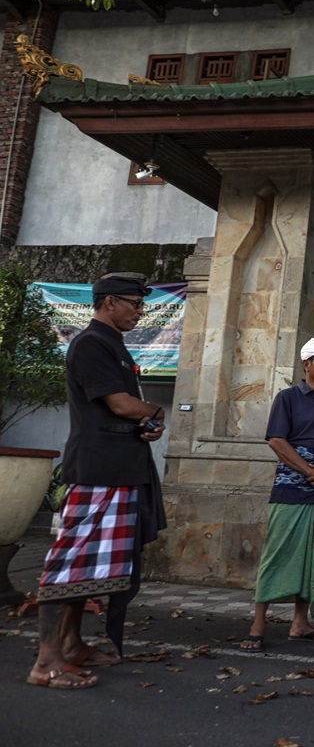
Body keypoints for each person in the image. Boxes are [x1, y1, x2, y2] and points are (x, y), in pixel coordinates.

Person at [27, 272, 167, 690]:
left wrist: (146, 424)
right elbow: (121, 404)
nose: (139, 311)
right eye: (134, 303)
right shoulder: (90, 343)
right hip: (98, 470)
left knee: (92, 567)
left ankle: (71, 645)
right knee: (70, 563)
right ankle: (45, 663)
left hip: (120, 468)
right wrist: (155, 413)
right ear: (108, 301)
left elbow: (124, 412)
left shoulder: (113, 345)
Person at [239, 338, 314, 652]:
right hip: (290, 489)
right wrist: (310, 472)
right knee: (276, 554)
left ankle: (300, 624)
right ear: (307, 364)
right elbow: (276, 441)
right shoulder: (287, 398)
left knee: (311, 559)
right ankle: (257, 625)